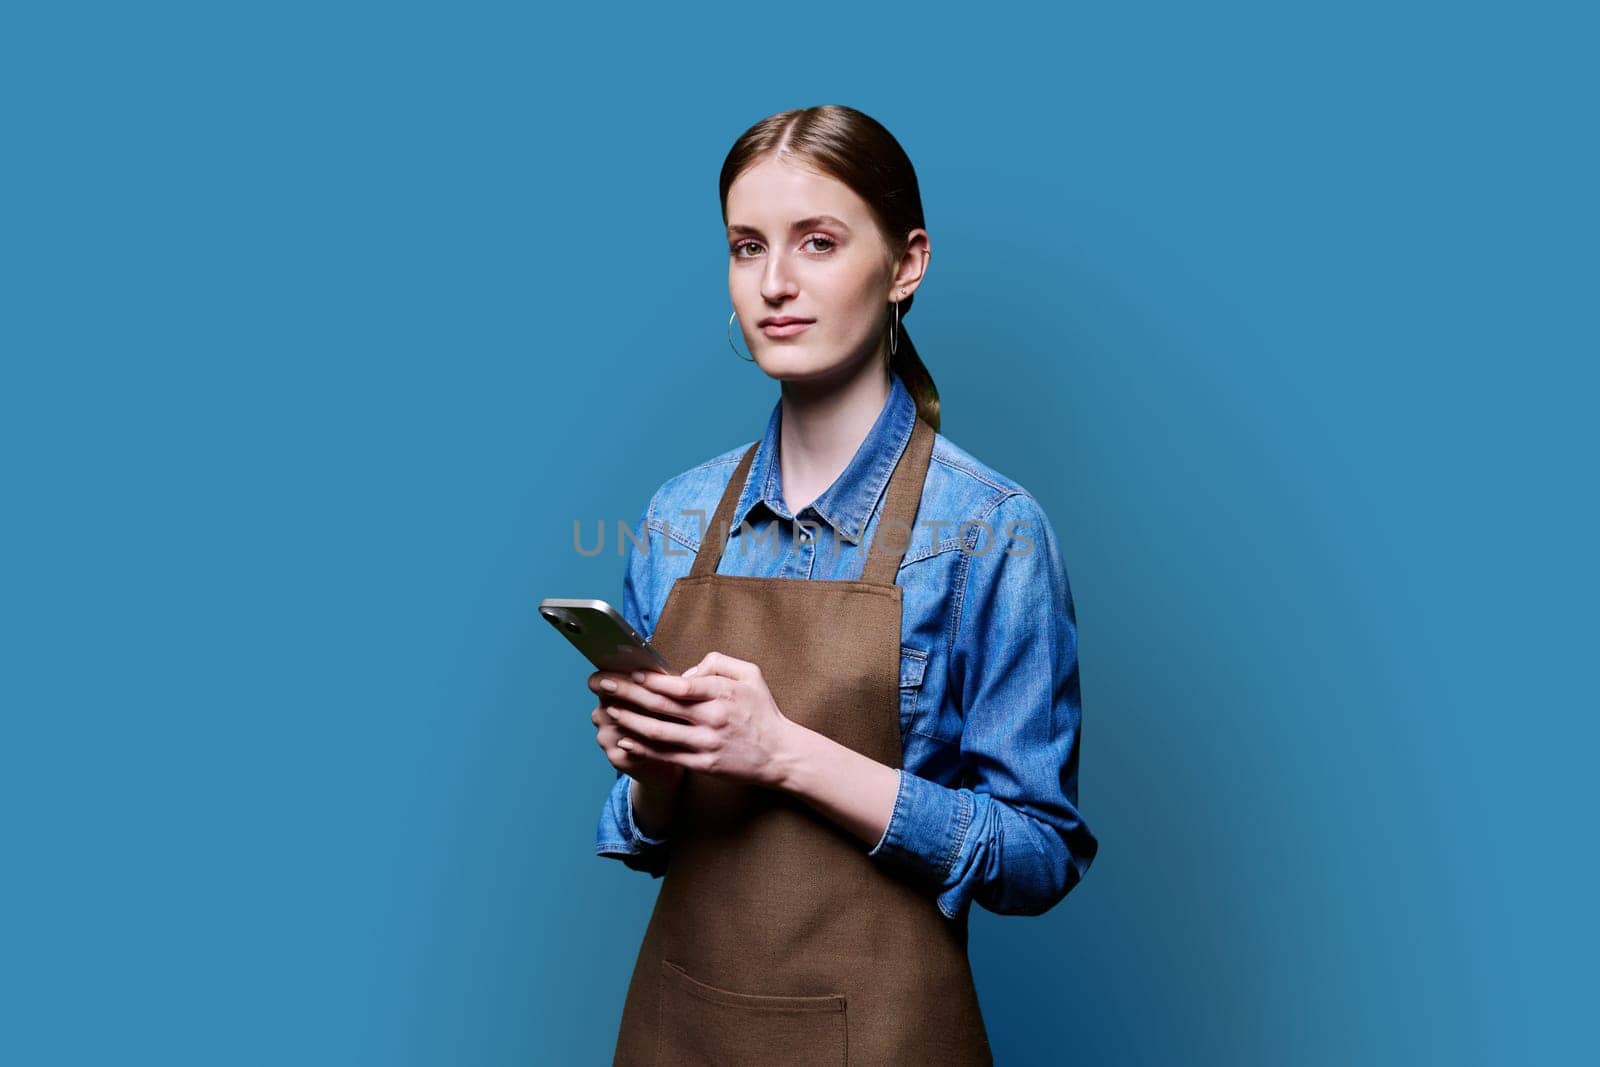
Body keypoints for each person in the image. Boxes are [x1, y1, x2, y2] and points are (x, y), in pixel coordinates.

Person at [587, 104, 1098, 1065]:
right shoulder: (675, 517)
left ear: (907, 263)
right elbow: (640, 836)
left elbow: (1039, 855)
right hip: (678, 1028)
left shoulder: (991, 532)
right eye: (747, 247)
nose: (774, 284)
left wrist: (783, 752)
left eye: (817, 242)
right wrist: (655, 779)